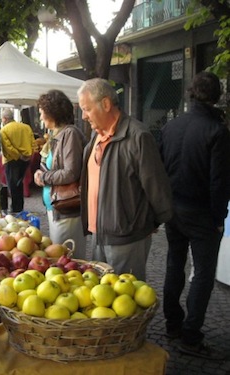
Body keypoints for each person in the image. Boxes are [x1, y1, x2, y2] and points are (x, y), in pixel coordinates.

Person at [160, 71, 230, 359]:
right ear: (218, 97)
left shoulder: (171, 126)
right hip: (201, 211)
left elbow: (161, 168)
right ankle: (191, 336)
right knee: (202, 272)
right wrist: (218, 218)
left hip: (173, 207)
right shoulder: (218, 132)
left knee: (175, 263)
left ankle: (173, 324)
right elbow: (219, 181)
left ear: (191, 93)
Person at [78, 78, 172, 281]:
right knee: (102, 296)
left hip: (126, 235)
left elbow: (155, 185)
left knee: (127, 299)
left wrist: (149, 221)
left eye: (87, 109)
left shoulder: (137, 136)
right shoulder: (95, 138)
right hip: (98, 233)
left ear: (105, 104)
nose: (84, 116)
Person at [33, 90, 87, 259]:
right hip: (56, 207)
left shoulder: (70, 134)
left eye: (42, 113)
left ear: (52, 112)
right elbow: (51, 166)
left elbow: (71, 172)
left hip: (67, 208)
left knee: (68, 258)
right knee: (61, 256)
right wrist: (40, 173)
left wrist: (44, 177)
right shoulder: (56, 136)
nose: (41, 118)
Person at [0, 108, 36, 213]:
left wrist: (18, 155)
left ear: (5, 119)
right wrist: (28, 155)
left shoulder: (4, 130)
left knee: (13, 185)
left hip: (11, 160)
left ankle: (15, 208)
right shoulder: (26, 127)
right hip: (25, 159)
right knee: (20, 183)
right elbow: (33, 143)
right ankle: (20, 207)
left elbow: (7, 147)